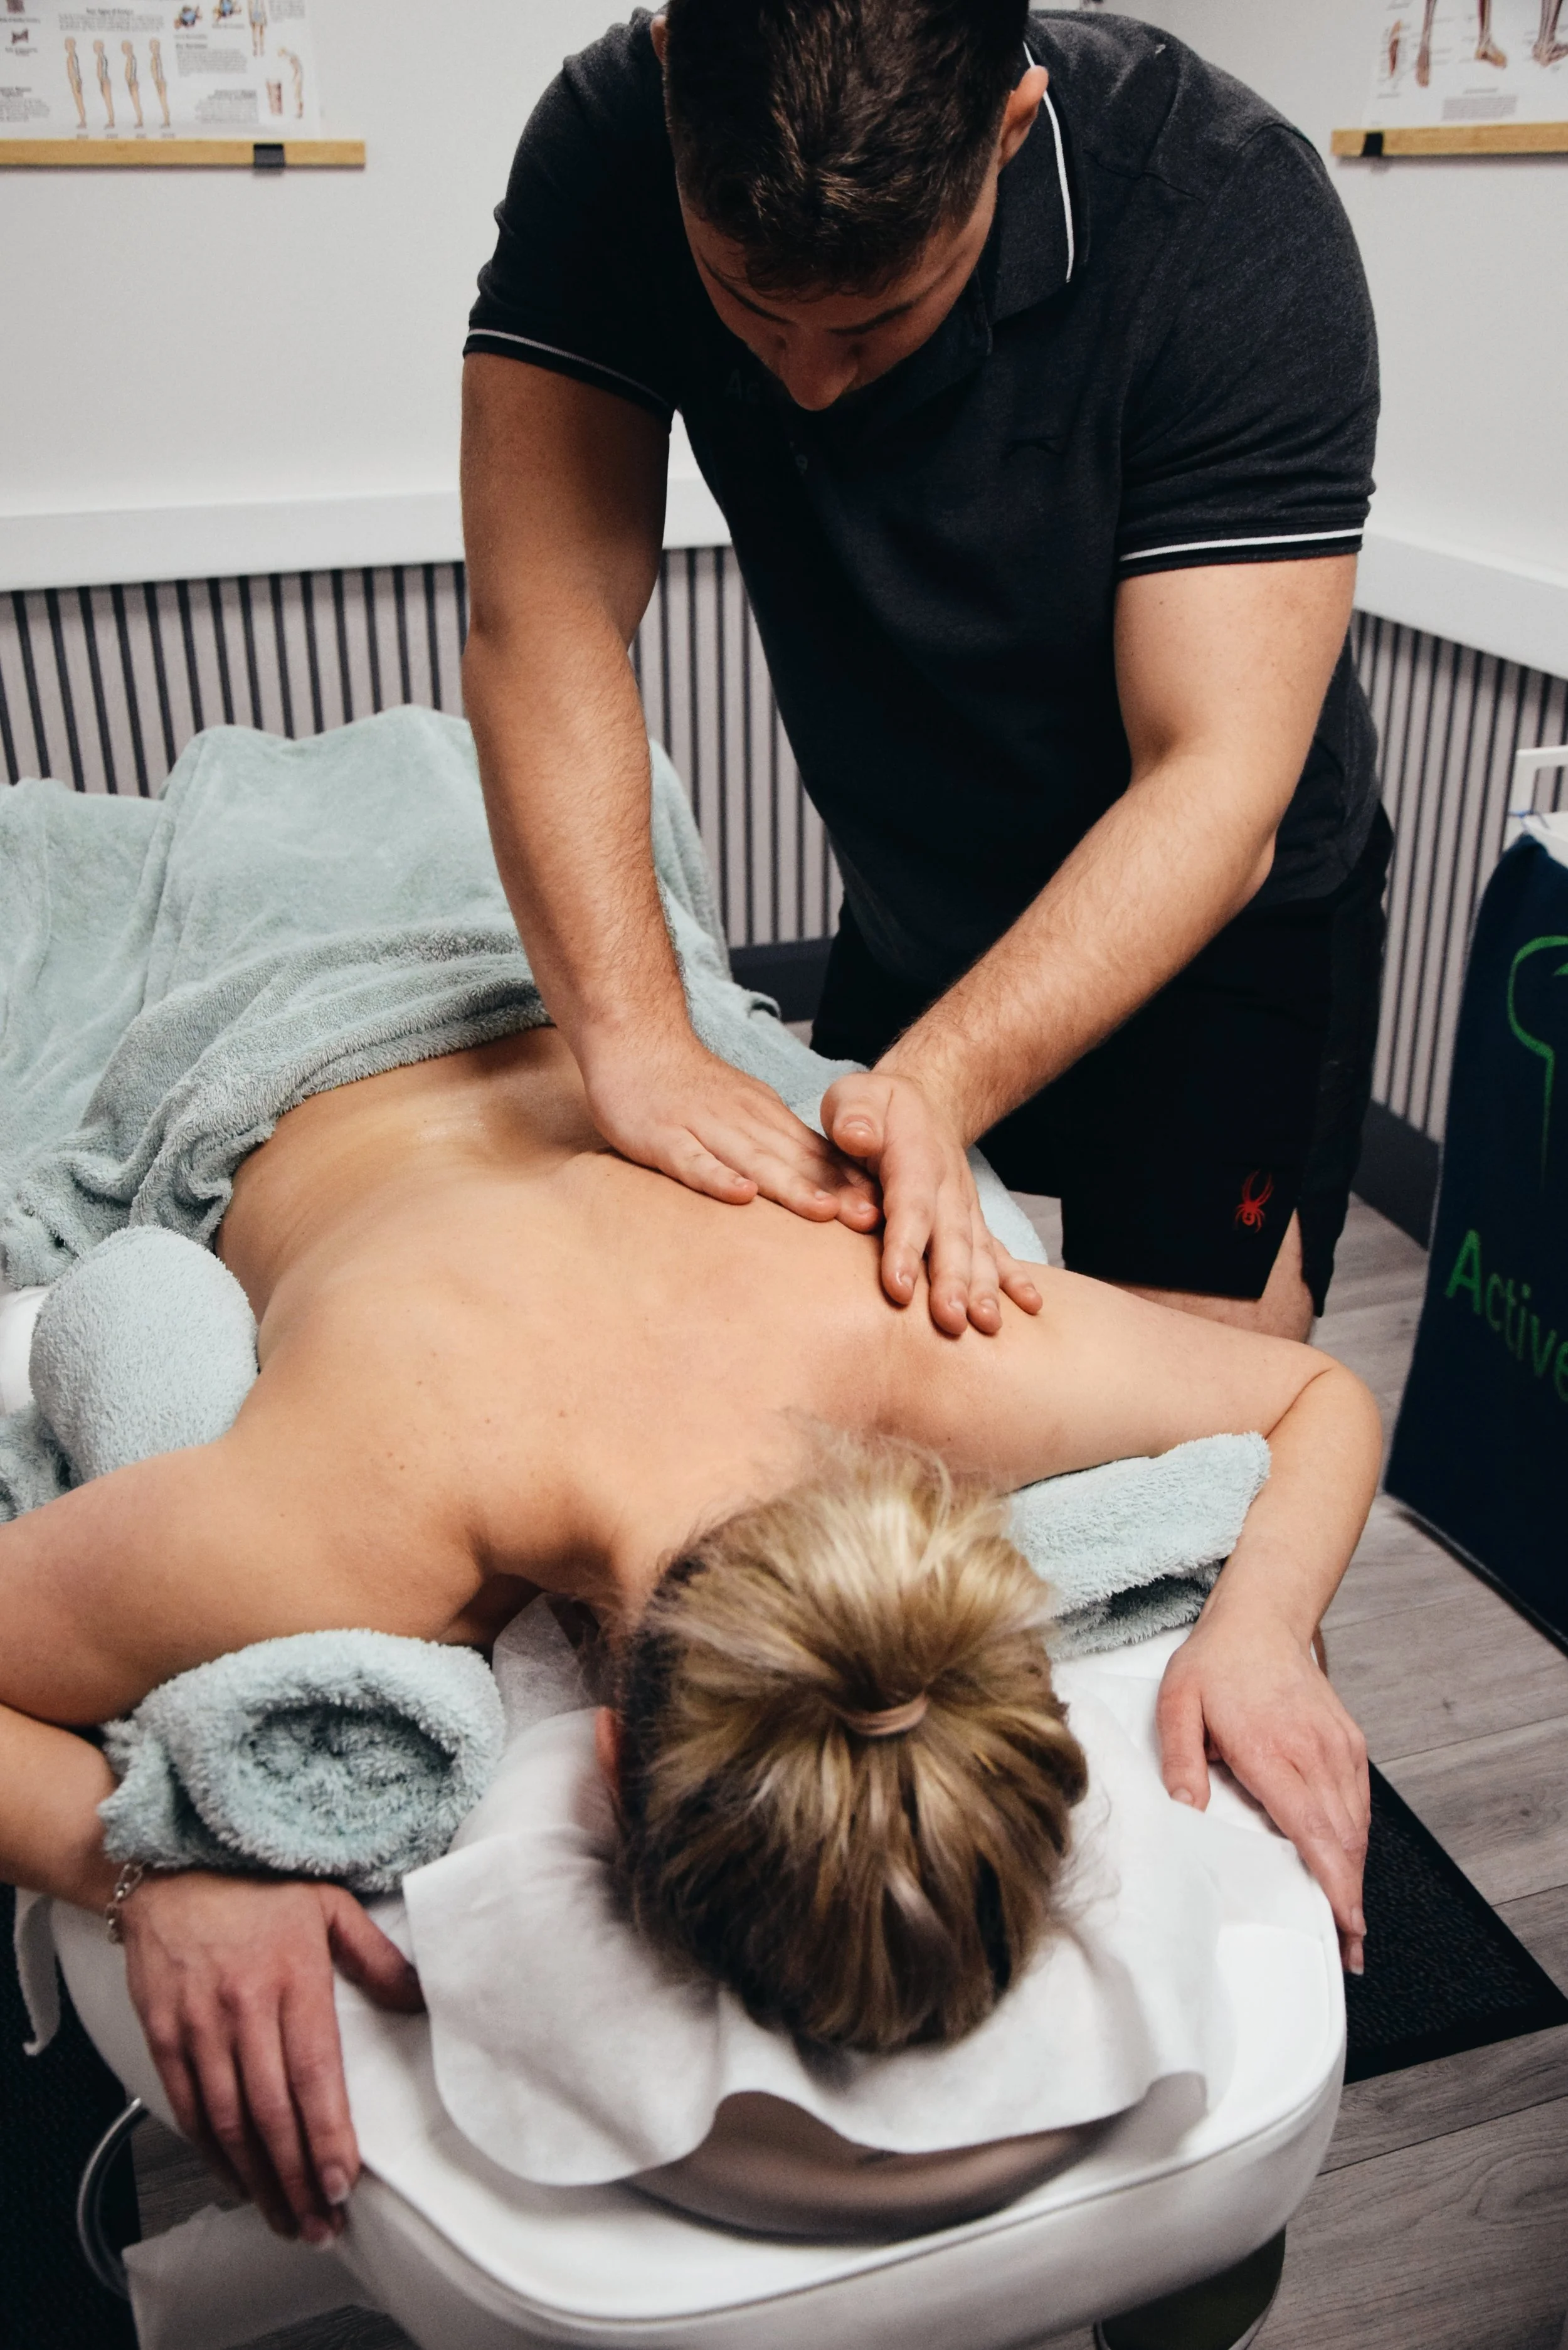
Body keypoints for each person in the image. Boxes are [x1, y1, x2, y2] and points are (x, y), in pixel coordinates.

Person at [1, 1027, 1377, 2250]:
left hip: (561, 997)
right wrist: (141, 1862)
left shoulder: (923, 1344)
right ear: (606, 1756)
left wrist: (1256, 1629)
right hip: (278, 1022)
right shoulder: (364, 1513)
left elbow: (1316, 1396)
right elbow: (1309, 1390)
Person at [460, 1, 1386, 1355]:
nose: (813, 386)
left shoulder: (1226, 208)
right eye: (749, 308)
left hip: (1210, 908)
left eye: (878, 319)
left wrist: (938, 1083)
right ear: (669, 78)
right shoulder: (606, 144)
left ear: (1010, 129)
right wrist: (637, 1043)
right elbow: (541, 615)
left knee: (1179, 1400)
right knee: (853, 1333)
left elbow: (1213, 781)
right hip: (916, 877)